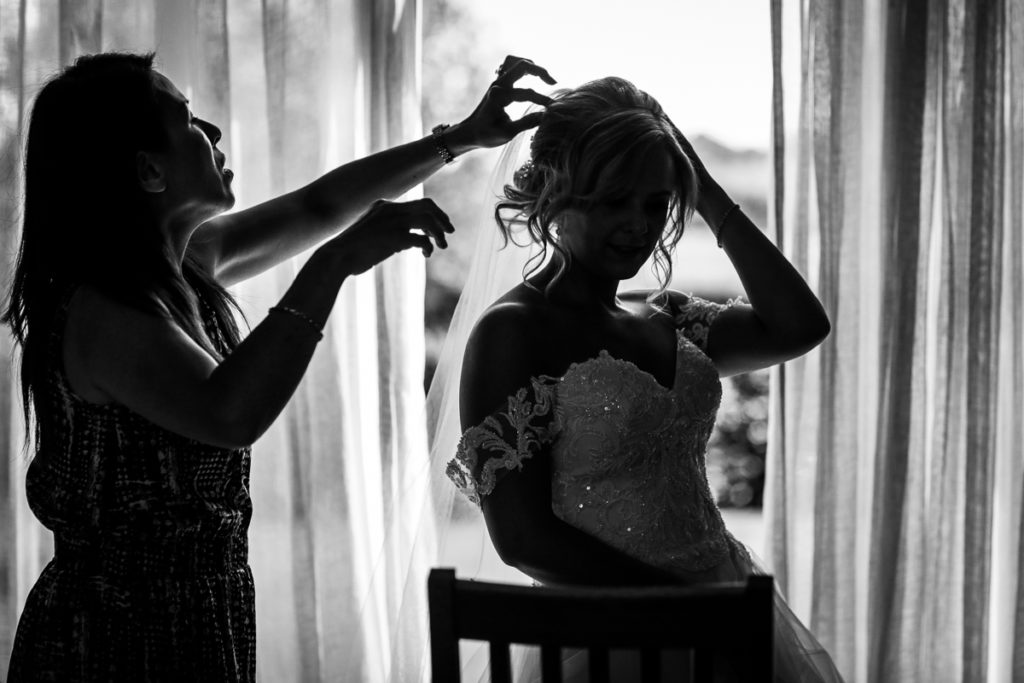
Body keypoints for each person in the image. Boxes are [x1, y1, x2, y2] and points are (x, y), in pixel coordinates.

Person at [3, 51, 553, 682]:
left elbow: (317, 208)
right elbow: (227, 412)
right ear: (149, 170)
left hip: (201, 615)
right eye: (186, 120)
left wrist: (460, 138)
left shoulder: (184, 270)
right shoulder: (101, 311)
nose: (209, 132)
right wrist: (333, 265)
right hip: (115, 637)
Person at [445, 77, 844, 681]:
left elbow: (799, 325)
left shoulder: (667, 318)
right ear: (558, 195)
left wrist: (703, 188)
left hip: (722, 597)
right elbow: (523, 536)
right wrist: (678, 609)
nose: (640, 224)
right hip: (609, 632)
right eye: (614, 200)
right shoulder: (514, 331)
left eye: (657, 202)